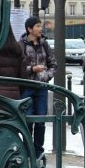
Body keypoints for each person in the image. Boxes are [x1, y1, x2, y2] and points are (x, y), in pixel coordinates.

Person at [19, 16, 56, 160]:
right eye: (38, 26)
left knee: (40, 121)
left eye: (40, 26)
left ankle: (38, 152)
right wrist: (32, 69)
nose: (41, 29)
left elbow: (53, 64)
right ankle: (27, 150)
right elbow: (19, 67)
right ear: (29, 29)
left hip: (41, 87)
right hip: (27, 87)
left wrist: (46, 77)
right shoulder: (21, 45)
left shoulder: (44, 44)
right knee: (28, 120)